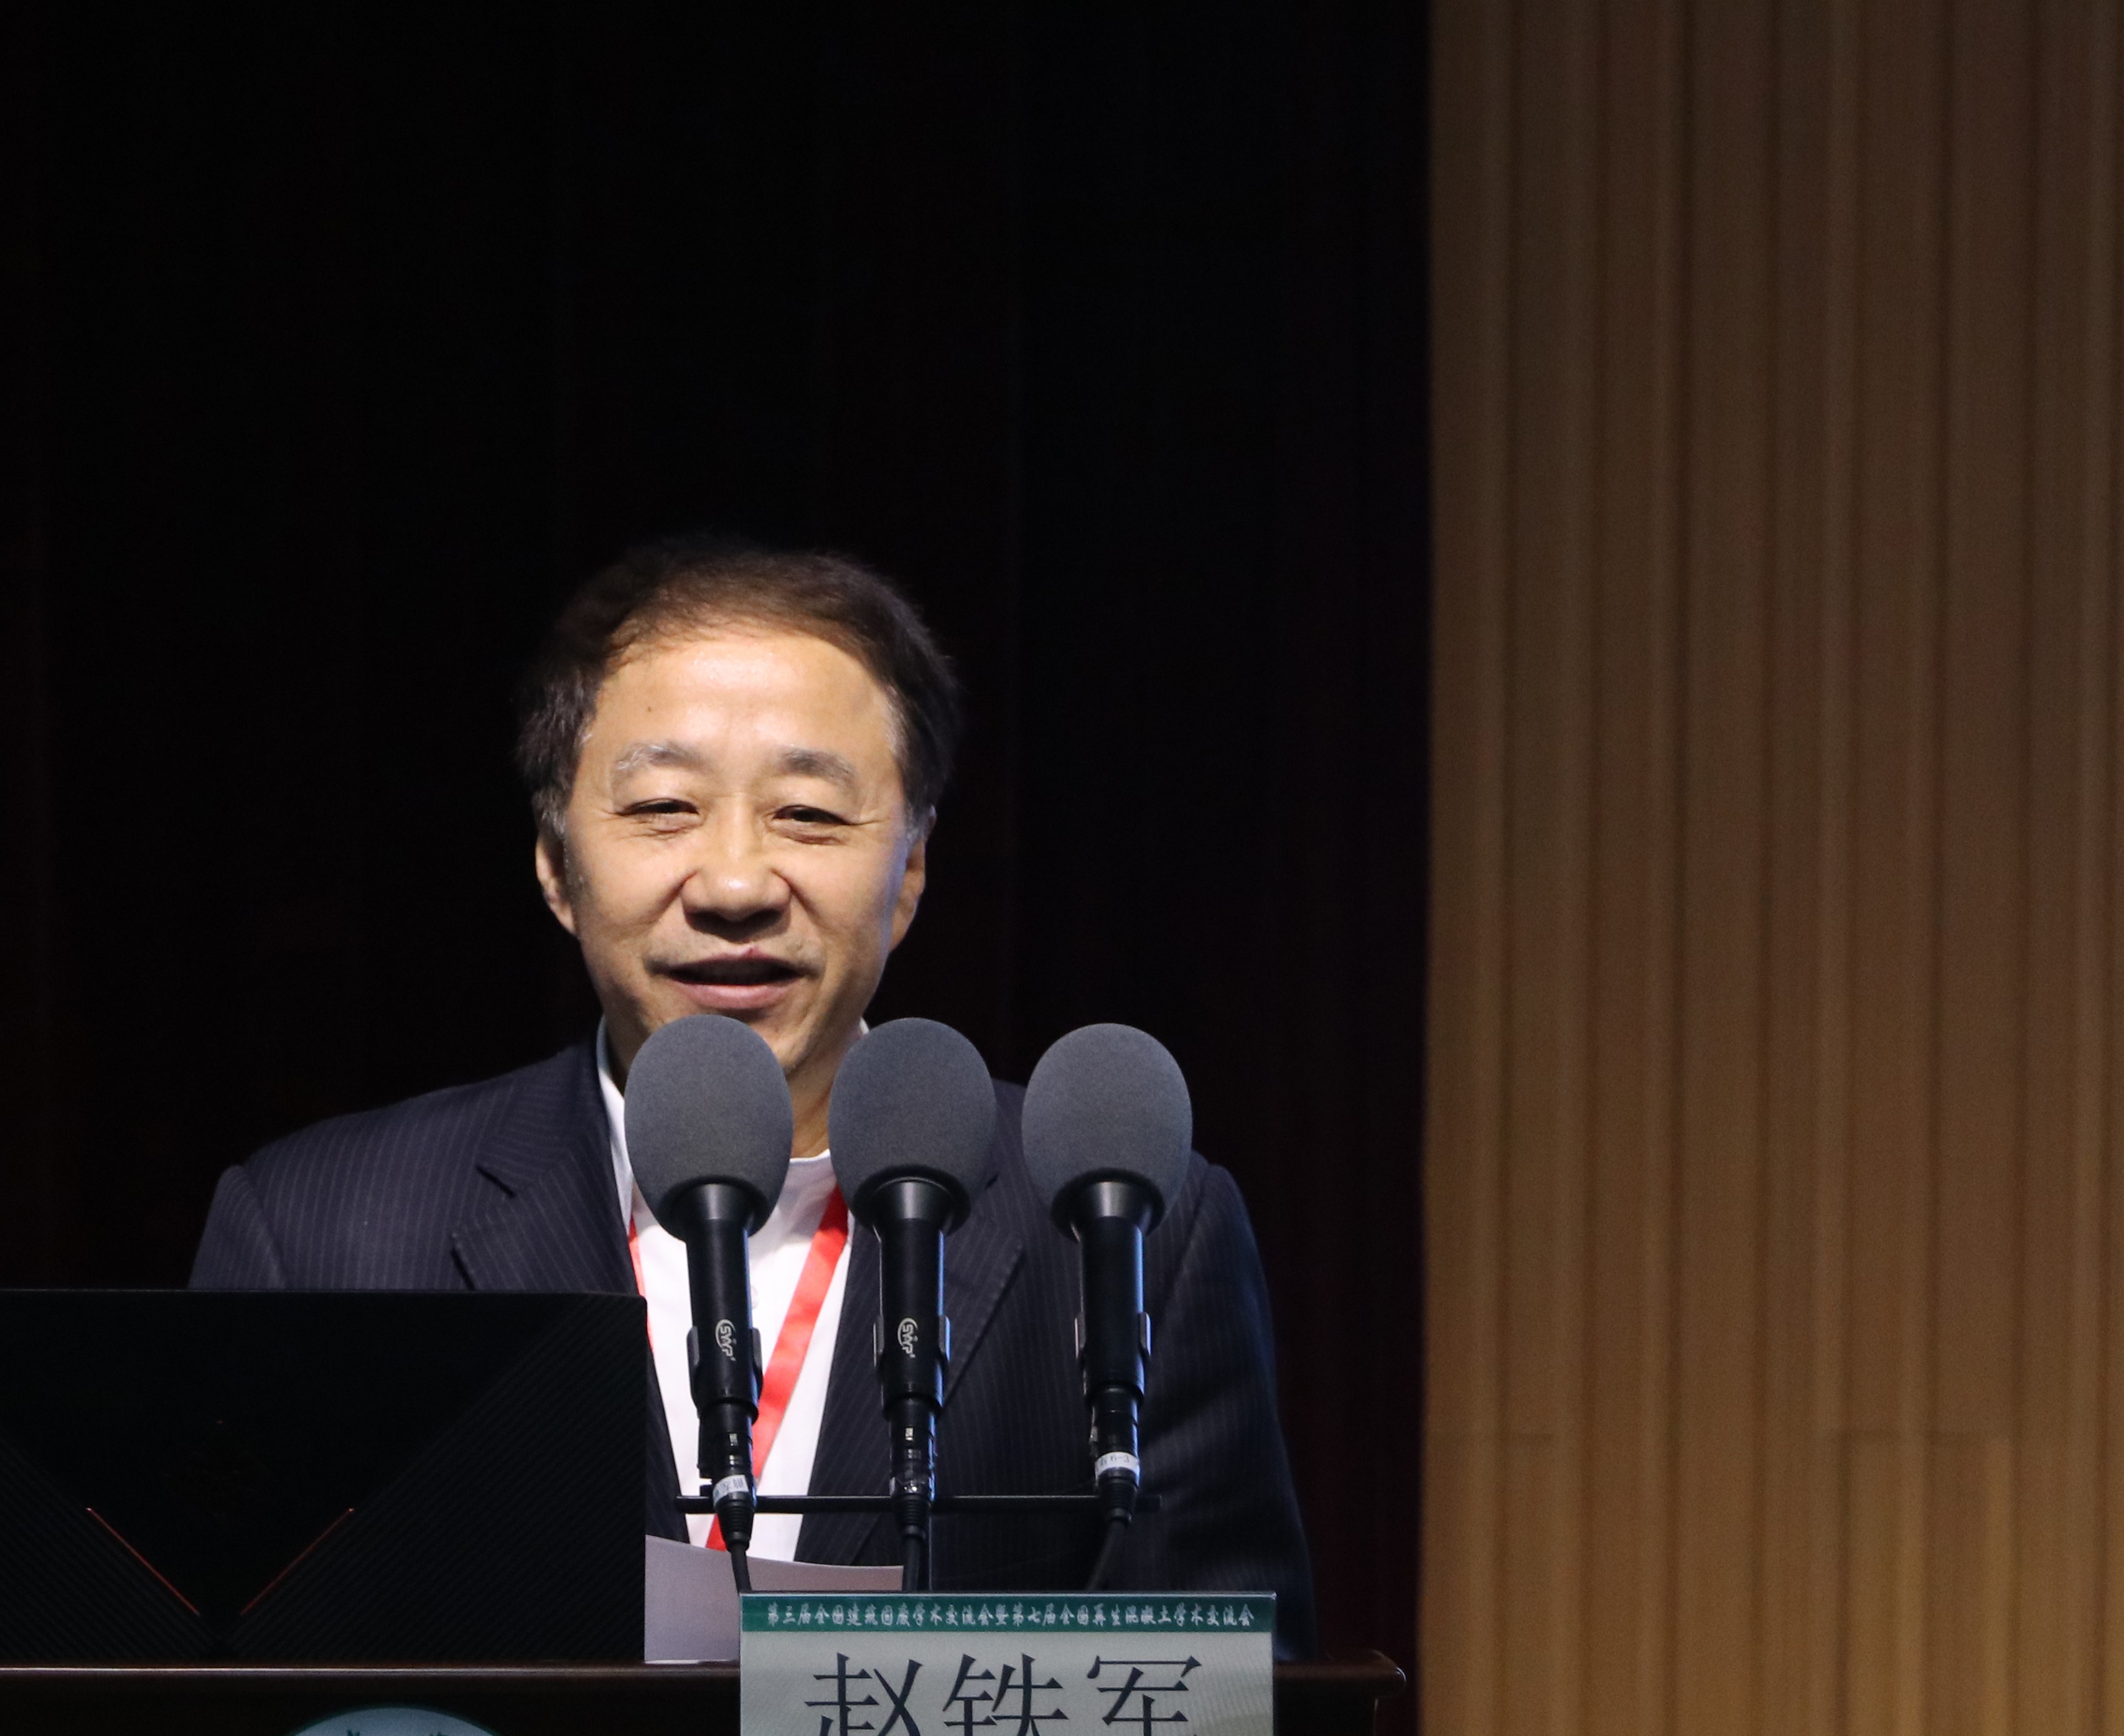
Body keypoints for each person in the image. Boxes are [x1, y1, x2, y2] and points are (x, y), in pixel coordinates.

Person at [190, 539, 1309, 1619]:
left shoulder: (1126, 1232)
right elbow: (225, 1692)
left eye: (807, 814)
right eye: (664, 808)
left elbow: (1219, 1710)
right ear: (556, 865)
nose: (735, 885)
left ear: (911, 868)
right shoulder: (321, 1234)